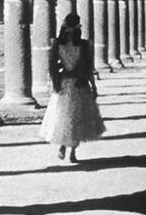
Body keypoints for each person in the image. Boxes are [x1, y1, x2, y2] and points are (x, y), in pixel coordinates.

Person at [39, 13, 105, 163]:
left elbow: (51, 66)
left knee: (63, 117)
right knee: (78, 119)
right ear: (78, 27)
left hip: (64, 84)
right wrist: (94, 86)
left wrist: (55, 81)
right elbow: (89, 69)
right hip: (79, 85)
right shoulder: (84, 44)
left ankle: (63, 145)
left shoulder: (57, 44)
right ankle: (73, 152)